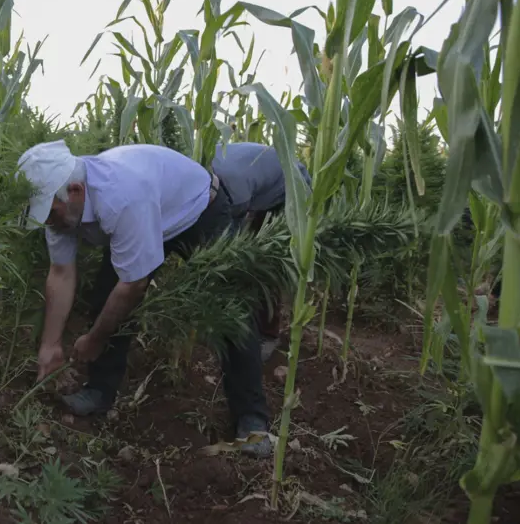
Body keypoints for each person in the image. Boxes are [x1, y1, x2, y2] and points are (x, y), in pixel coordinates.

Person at [16, 139, 273, 457]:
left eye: (49, 212)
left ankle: (252, 419)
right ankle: (99, 390)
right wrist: (50, 344)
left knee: (232, 310)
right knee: (104, 298)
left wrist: (94, 339)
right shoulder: (60, 204)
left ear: (76, 192)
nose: (47, 221)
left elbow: (132, 286)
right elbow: (61, 273)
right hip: (145, 212)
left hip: (197, 210)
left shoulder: (119, 197)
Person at [210, 141, 312, 361]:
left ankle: (268, 334)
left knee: (265, 263)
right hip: (262, 189)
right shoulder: (201, 158)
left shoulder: (233, 186)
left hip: (291, 193)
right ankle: (235, 325)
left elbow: (231, 245)